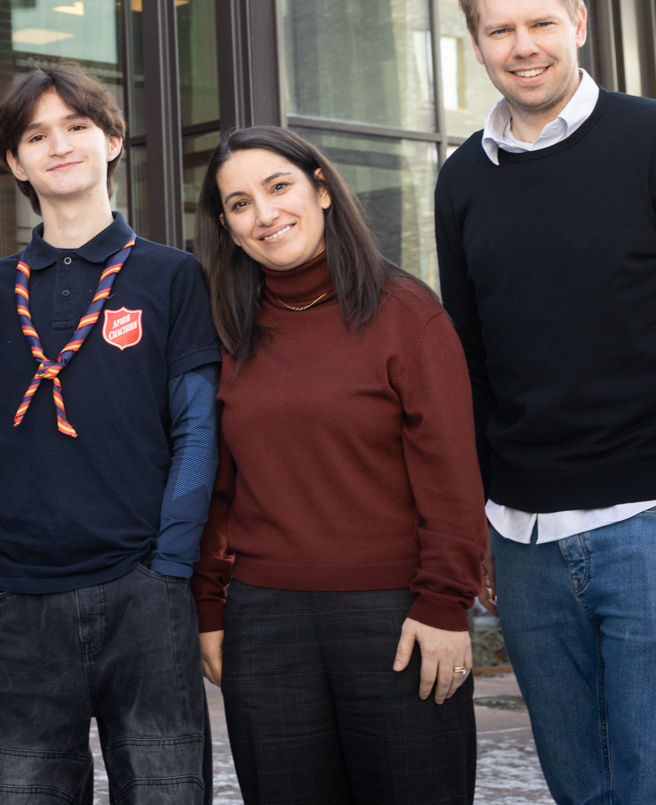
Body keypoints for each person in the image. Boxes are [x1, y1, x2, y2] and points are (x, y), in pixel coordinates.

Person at [436, 0, 656, 804]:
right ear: (475, 41)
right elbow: (469, 361)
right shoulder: (462, 179)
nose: (524, 45)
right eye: (500, 28)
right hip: (523, 537)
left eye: (542, 22)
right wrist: (474, 514)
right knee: (581, 790)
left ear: (578, 23)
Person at [0, 65, 220, 804]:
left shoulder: (172, 276)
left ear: (113, 141)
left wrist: (170, 567)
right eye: (36, 135)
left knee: (166, 792)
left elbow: (196, 427)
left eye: (77, 127)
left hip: (141, 588)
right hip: (11, 596)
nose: (58, 145)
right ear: (14, 162)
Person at [193, 125, 486, 805]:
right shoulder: (227, 327)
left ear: (321, 189)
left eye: (277, 187)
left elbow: (450, 477)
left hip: (396, 618)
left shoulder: (405, 314)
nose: (263, 215)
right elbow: (217, 486)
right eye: (238, 204)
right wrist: (209, 608)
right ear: (227, 227)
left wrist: (445, 604)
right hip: (264, 627)